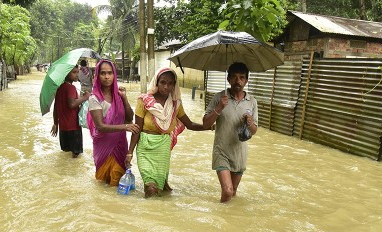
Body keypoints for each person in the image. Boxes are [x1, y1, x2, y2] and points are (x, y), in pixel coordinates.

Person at [125, 67, 207, 198]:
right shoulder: (144, 101)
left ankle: (158, 210)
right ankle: (149, 214)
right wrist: (129, 153)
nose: (166, 87)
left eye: (170, 83)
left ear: (174, 85)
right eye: (163, 82)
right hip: (145, 146)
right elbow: (137, 129)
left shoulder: (176, 105)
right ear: (156, 82)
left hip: (163, 146)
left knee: (160, 186)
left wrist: (209, 126)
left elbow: (190, 124)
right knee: (150, 186)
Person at [203, 62, 258, 203]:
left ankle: (228, 219)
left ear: (246, 80)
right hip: (221, 151)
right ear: (228, 79)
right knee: (227, 191)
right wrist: (219, 107)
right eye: (233, 77)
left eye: (241, 77)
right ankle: (219, 221)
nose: (237, 81)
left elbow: (254, 131)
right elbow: (205, 123)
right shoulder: (219, 98)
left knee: (233, 192)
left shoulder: (251, 101)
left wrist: (250, 121)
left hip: (239, 153)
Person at [87, 60, 140, 186]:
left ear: (114, 75)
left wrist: (125, 98)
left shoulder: (118, 96)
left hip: (120, 145)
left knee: (118, 183)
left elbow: (129, 117)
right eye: (103, 73)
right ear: (97, 76)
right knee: (102, 182)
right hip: (103, 146)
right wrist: (125, 127)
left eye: (110, 73)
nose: (107, 77)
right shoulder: (94, 98)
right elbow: (100, 126)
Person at [51, 65, 91, 158]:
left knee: (66, 153)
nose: (77, 75)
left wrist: (55, 123)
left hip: (63, 128)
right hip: (73, 128)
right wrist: (85, 97)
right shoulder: (71, 88)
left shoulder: (59, 88)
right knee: (75, 156)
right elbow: (72, 104)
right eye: (74, 72)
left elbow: (56, 108)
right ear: (66, 74)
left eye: (77, 72)